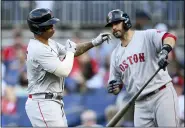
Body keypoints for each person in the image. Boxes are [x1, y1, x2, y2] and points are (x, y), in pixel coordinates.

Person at [25, 8, 111, 127]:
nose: (53, 26)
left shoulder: (49, 42)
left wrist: (93, 43)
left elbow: (73, 50)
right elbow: (64, 71)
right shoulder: (38, 49)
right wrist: (70, 52)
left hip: (52, 101)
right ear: (38, 28)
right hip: (42, 102)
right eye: (49, 24)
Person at [106, 9, 179, 127]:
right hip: (139, 103)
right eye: (111, 25)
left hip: (161, 94)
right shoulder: (115, 54)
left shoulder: (146, 36)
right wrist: (113, 87)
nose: (113, 27)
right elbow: (117, 86)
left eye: (116, 23)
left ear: (126, 22)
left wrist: (164, 51)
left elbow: (170, 37)